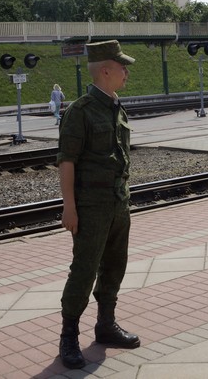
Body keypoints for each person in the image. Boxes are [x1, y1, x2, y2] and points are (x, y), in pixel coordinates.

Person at [56, 40, 140, 369]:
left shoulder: (116, 106)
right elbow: (67, 162)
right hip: (90, 206)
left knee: (114, 266)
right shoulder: (80, 111)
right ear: (105, 70)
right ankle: (68, 337)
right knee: (84, 270)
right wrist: (69, 207)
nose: (126, 71)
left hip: (118, 202)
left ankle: (106, 325)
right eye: (122, 66)